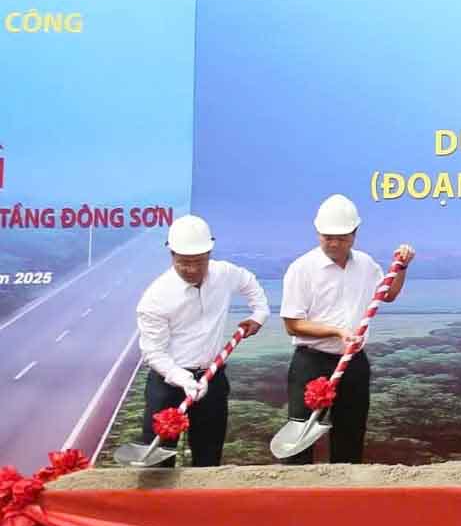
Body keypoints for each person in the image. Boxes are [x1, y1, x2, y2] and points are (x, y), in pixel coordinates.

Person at [279, 194, 414, 463]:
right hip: (312, 362)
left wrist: (401, 268)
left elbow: (387, 295)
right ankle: (297, 483)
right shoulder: (301, 269)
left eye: (341, 238)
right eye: (327, 237)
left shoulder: (365, 265)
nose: (333, 243)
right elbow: (292, 325)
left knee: (351, 432)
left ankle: (345, 482)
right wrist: (336, 332)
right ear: (317, 233)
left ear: (354, 234)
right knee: (301, 434)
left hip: (353, 362)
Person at [133, 215, 269, 467]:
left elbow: (249, 282)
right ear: (172, 255)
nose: (192, 269)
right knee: (158, 461)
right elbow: (153, 352)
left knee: (208, 456)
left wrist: (259, 314)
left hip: (212, 377)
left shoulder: (223, 273)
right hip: (168, 384)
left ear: (209, 253)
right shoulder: (155, 298)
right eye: (184, 263)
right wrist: (183, 378)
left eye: (199, 261)